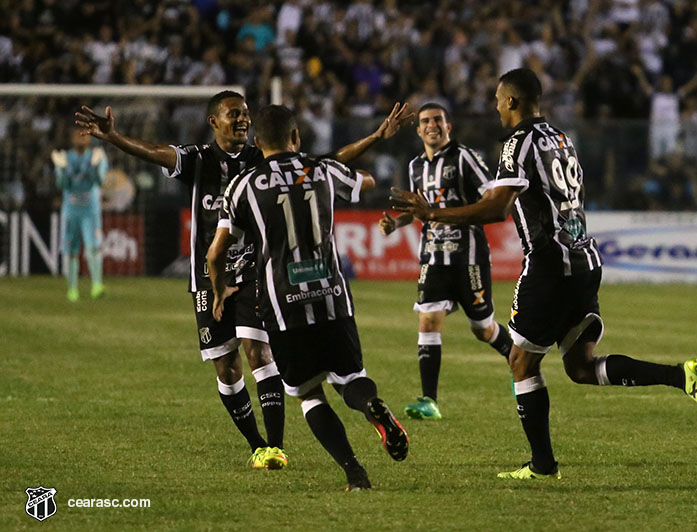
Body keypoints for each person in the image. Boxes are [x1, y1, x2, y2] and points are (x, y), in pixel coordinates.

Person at [391, 68, 697, 480]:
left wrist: (434, 213)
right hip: (584, 260)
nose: (494, 105)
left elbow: (496, 208)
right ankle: (681, 376)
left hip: (549, 267)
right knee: (580, 367)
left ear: (511, 101)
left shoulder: (517, 142)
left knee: (521, 362)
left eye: (497, 98)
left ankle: (542, 464)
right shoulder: (562, 137)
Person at [75, 92, 411, 471]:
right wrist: (116, 138)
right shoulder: (198, 159)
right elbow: (155, 152)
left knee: (259, 351)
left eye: (247, 115)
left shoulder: (260, 157)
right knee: (227, 368)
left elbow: (320, 164)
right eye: (233, 114)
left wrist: (376, 137)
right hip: (209, 277)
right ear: (213, 121)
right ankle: (257, 444)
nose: (242, 120)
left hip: (255, 271)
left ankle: (275, 445)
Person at [208, 105, 409, 491]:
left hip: (283, 307)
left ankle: (355, 473)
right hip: (332, 296)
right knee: (351, 379)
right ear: (296, 137)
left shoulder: (241, 186)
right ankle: (370, 406)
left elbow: (216, 253)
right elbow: (364, 181)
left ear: (256, 142)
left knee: (308, 393)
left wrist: (219, 289)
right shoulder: (322, 171)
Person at [378, 103, 513, 421]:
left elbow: (491, 198)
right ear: (418, 129)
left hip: (468, 258)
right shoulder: (415, 166)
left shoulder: (464, 157)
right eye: (425, 121)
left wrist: (453, 215)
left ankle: (517, 359)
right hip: (433, 257)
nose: (431, 125)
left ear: (448, 126)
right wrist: (395, 224)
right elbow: (417, 211)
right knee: (428, 319)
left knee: (482, 328)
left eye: (437, 120)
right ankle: (429, 400)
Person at [51, 127, 108, 302]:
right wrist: (60, 170)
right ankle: (72, 289)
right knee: (71, 249)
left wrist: (95, 167)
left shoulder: (98, 156)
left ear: (90, 138)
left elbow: (100, 182)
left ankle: (97, 285)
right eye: (77, 134)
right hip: (72, 210)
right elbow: (62, 185)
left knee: (93, 247)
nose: (81, 138)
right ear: (71, 138)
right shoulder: (65, 158)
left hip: (90, 210)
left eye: (85, 134)